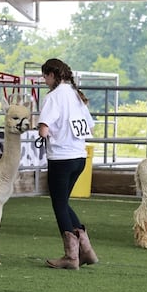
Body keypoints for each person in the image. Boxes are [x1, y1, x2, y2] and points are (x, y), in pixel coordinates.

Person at [37, 58, 98, 270]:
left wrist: (43, 131)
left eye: (45, 75)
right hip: (79, 157)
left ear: (53, 75)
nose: (44, 79)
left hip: (61, 158)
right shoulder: (76, 96)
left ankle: (72, 256)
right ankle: (86, 249)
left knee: (59, 204)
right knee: (63, 202)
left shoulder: (53, 97)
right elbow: (90, 127)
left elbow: (44, 129)